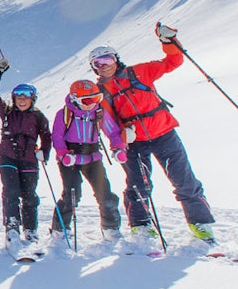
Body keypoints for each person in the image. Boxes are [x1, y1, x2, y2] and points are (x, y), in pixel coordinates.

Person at [91, 23, 217, 246]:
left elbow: (173, 62)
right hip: (134, 143)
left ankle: (199, 223)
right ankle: (141, 226)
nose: (104, 66)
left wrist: (168, 42)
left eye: (108, 60)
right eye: (98, 63)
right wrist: (123, 135)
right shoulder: (100, 91)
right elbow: (107, 123)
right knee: (138, 185)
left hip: (164, 133)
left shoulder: (140, 71)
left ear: (116, 59)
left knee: (184, 180)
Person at [0, 61, 51, 252]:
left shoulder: (39, 117)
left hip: (30, 159)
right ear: (14, 99)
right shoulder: (7, 113)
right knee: (11, 192)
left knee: (30, 195)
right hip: (8, 157)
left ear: (33, 99)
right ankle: (12, 228)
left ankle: (30, 230)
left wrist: (44, 152)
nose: (22, 100)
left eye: (26, 97)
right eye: (18, 97)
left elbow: (47, 136)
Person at [50, 80, 125, 241]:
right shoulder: (64, 114)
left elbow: (113, 133)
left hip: (92, 157)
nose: (92, 104)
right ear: (75, 99)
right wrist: (63, 154)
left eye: (96, 99)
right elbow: (56, 136)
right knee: (72, 194)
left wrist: (118, 148)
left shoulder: (99, 113)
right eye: (87, 101)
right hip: (70, 158)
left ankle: (110, 228)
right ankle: (60, 229)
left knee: (104, 193)